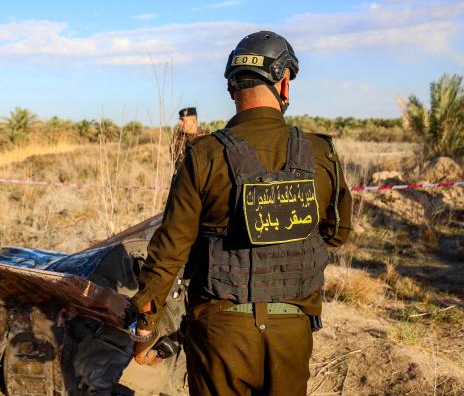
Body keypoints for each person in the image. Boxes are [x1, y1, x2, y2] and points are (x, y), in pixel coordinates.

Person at [128, 31, 352, 395]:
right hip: (292, 332)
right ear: (284, 83)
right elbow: (337, 233)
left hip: (220, 335)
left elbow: (168, 255)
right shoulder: (321, 153)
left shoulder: (202, 155)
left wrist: (145, 327)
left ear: (233, 90)